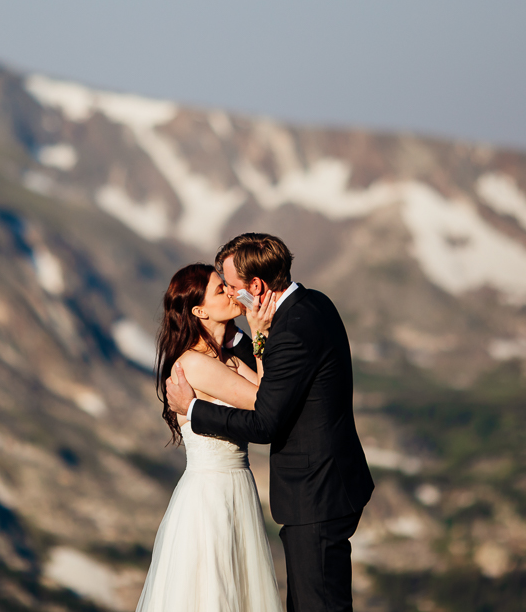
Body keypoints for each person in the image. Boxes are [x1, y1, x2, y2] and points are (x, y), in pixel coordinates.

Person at [168, 233, 374, 612]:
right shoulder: (314, 304)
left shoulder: (291, 330)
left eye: (229, 285)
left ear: (256, 286)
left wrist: (193, 410)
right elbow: (270, 373)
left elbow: (265, 421)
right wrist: (253, 336)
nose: (231, 295)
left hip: (316, 494)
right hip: (326, 485)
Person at [135, 262, 281, 612]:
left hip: (236, 485)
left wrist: (255, 334)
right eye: (221, 289)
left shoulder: (226, 359)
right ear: (199, 310)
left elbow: (270, 393)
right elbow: (261, 401)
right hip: (211, 495)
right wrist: (259, 332)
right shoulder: (195, 363)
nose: (232, 293)